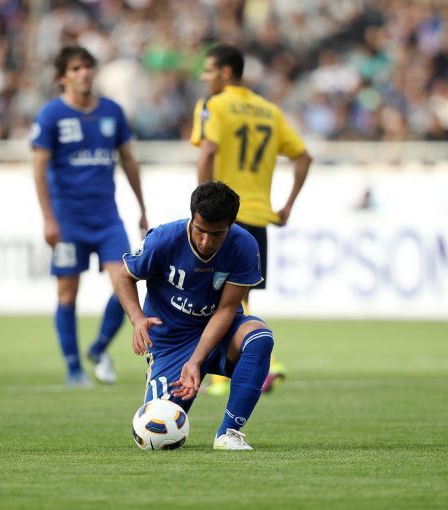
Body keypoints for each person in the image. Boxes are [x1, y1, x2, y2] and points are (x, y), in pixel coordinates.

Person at [190, 44, 312, 394]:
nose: (204, 78)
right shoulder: (269, 110)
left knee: (216, 298)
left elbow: (208, 151)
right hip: (256, 216)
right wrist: (287, 206)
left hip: (222, 218)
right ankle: (245, 365)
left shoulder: (214, 105)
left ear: (226, 72)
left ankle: (254, 366)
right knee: (238, 297)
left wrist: (201, 206)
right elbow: (303, 157)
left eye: (208, 71)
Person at [116, 181, 274, 450]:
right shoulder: (163, 239)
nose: (206, 241)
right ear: (192, 218)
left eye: (217, 234)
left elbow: (226, 309)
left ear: (231, 225)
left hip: (219, 333)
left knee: (259, 337)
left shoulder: (244, 245)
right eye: (200, 230)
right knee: (157, 430)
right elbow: (124, 276)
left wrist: (196, 362)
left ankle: (228, 433)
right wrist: (137, 319)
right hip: (170, 343)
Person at [31, 45, 148, 387]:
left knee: (127, 283)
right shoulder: (51, 115)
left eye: (88, 66)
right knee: (67, 294)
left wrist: (142, 208)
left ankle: (97, 348)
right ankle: (73, 369)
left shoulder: (112, 111)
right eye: (76, 68)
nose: (84, 73)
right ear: (62, 77)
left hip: (107, 218)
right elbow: (38, 170)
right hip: (68, 220)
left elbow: (128, 160)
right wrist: (48, 218)